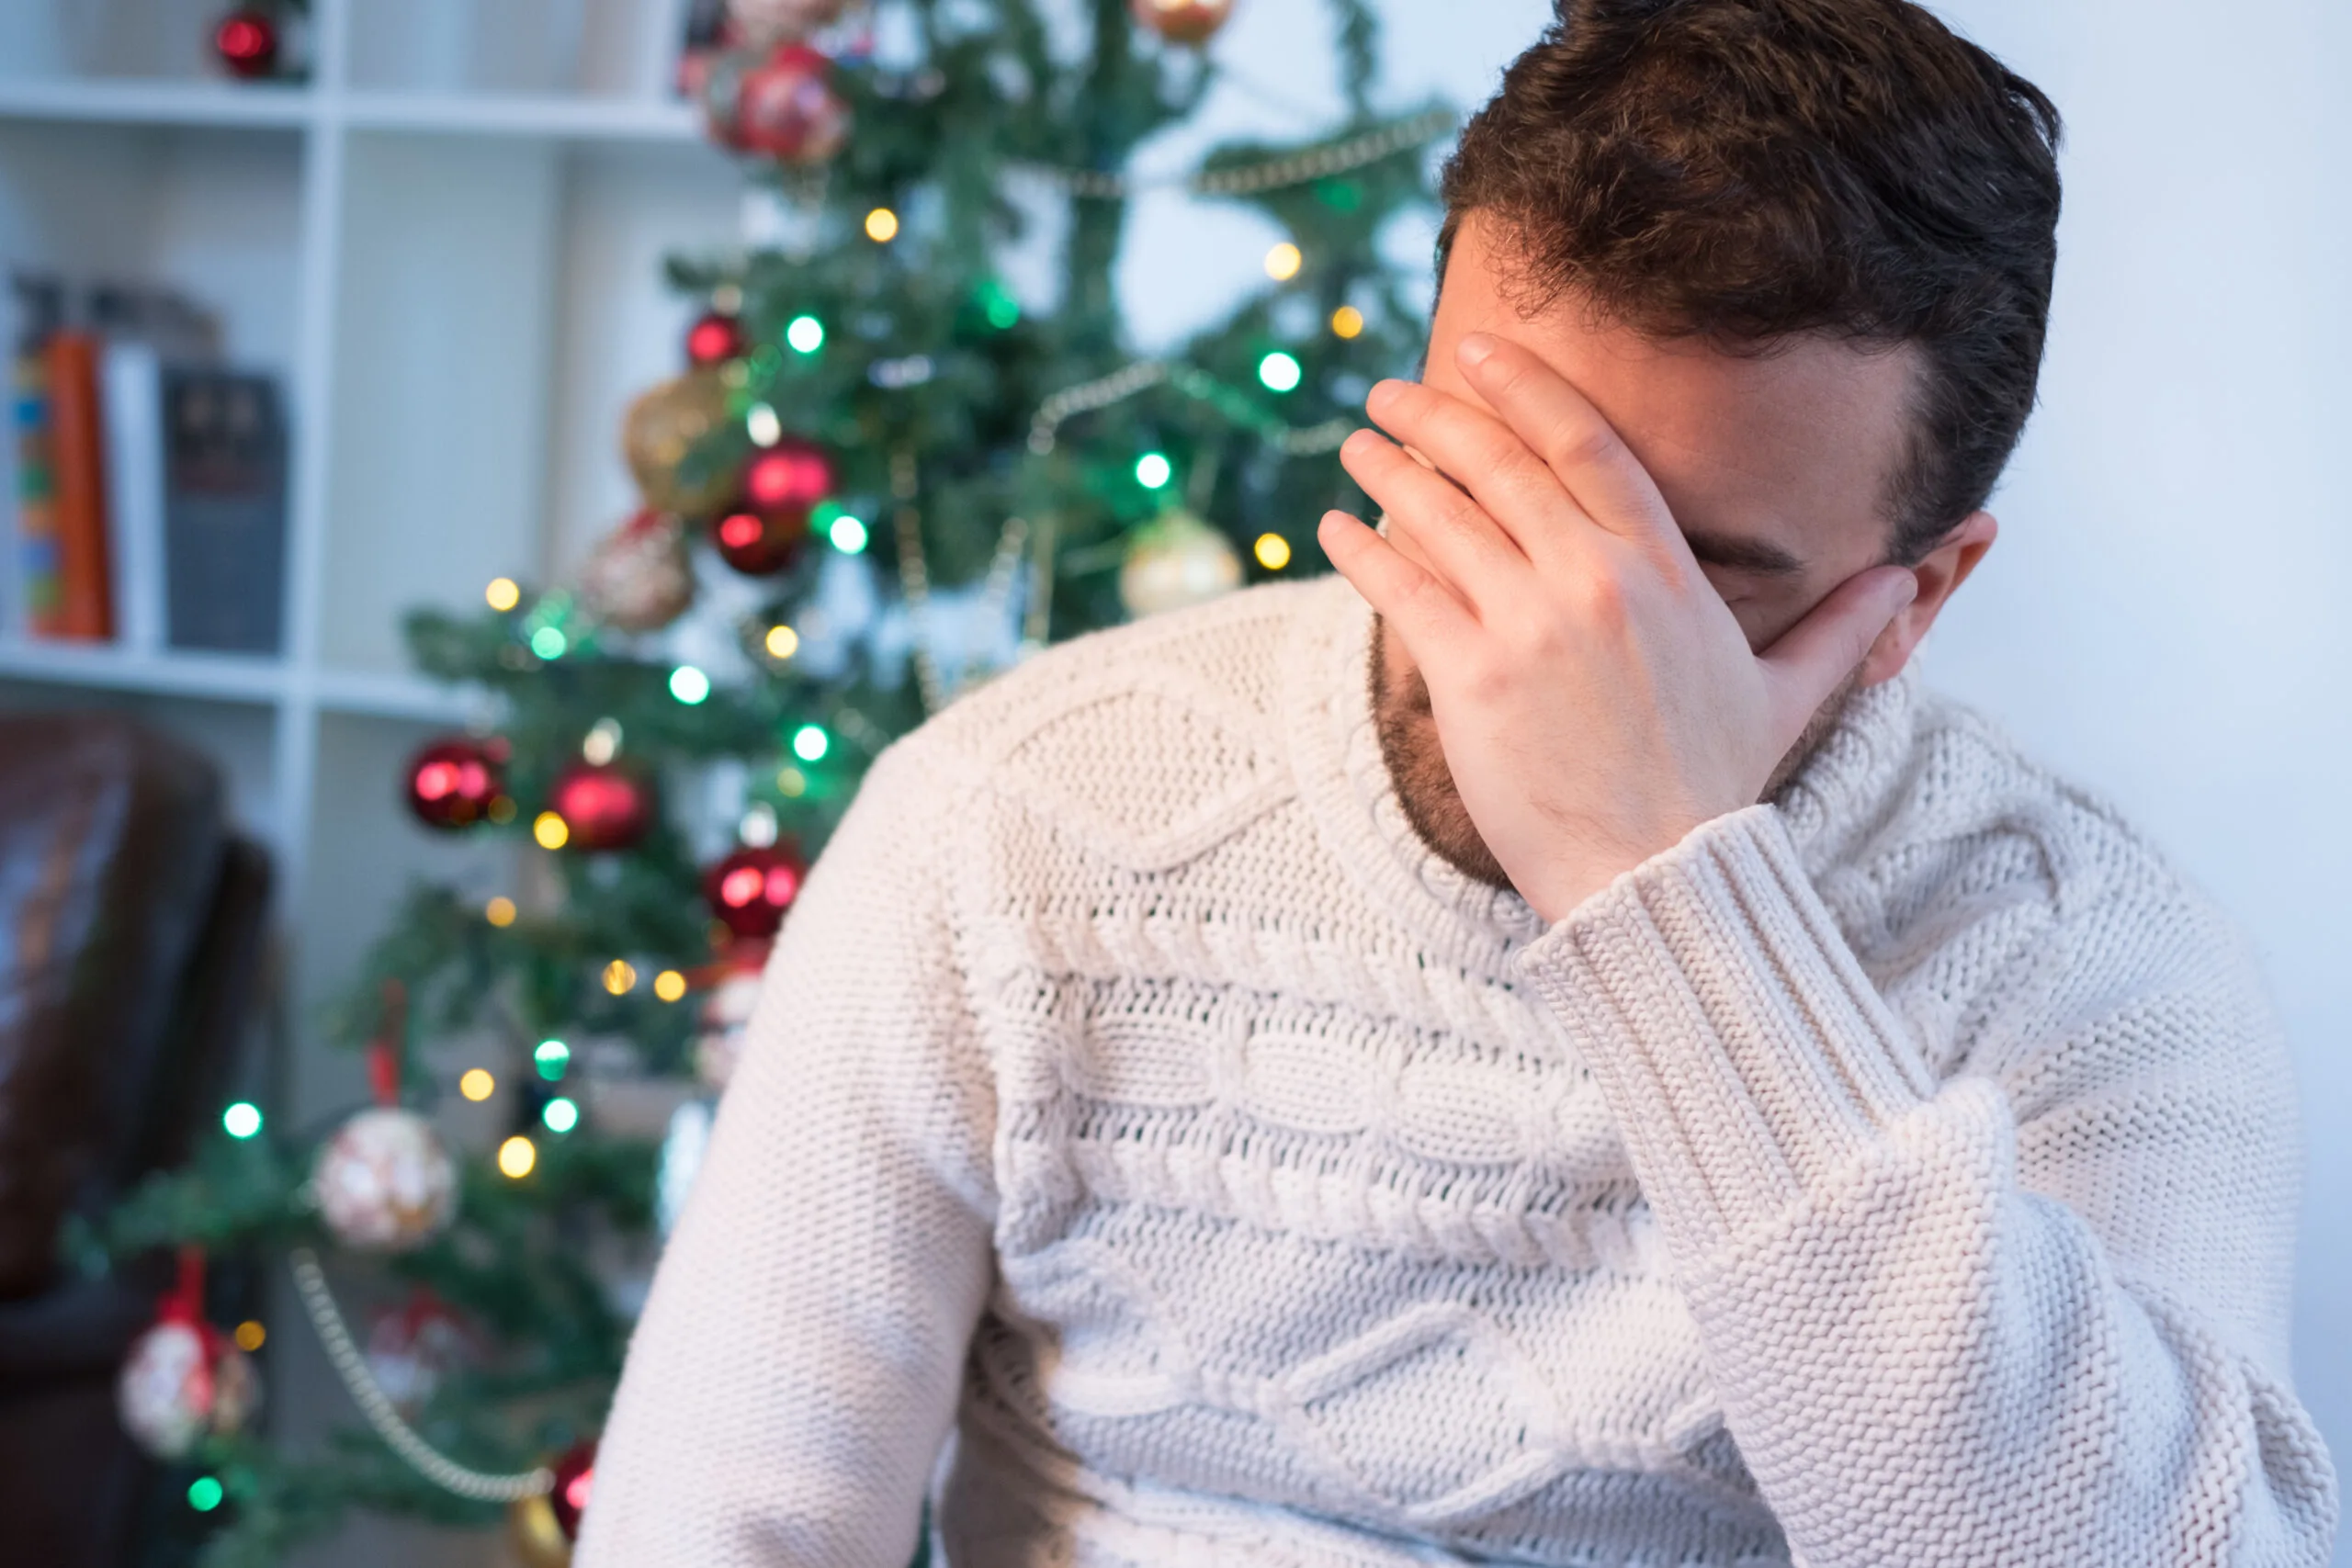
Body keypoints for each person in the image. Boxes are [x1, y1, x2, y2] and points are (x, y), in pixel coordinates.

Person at [579, 1, 2340, 1562]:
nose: (1554, 627)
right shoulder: (1005, 821)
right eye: (1488, 477)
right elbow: (719, 1518)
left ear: (1918, 595)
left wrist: (1669, 892)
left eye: (1692, 572)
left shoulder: (2096, 968)